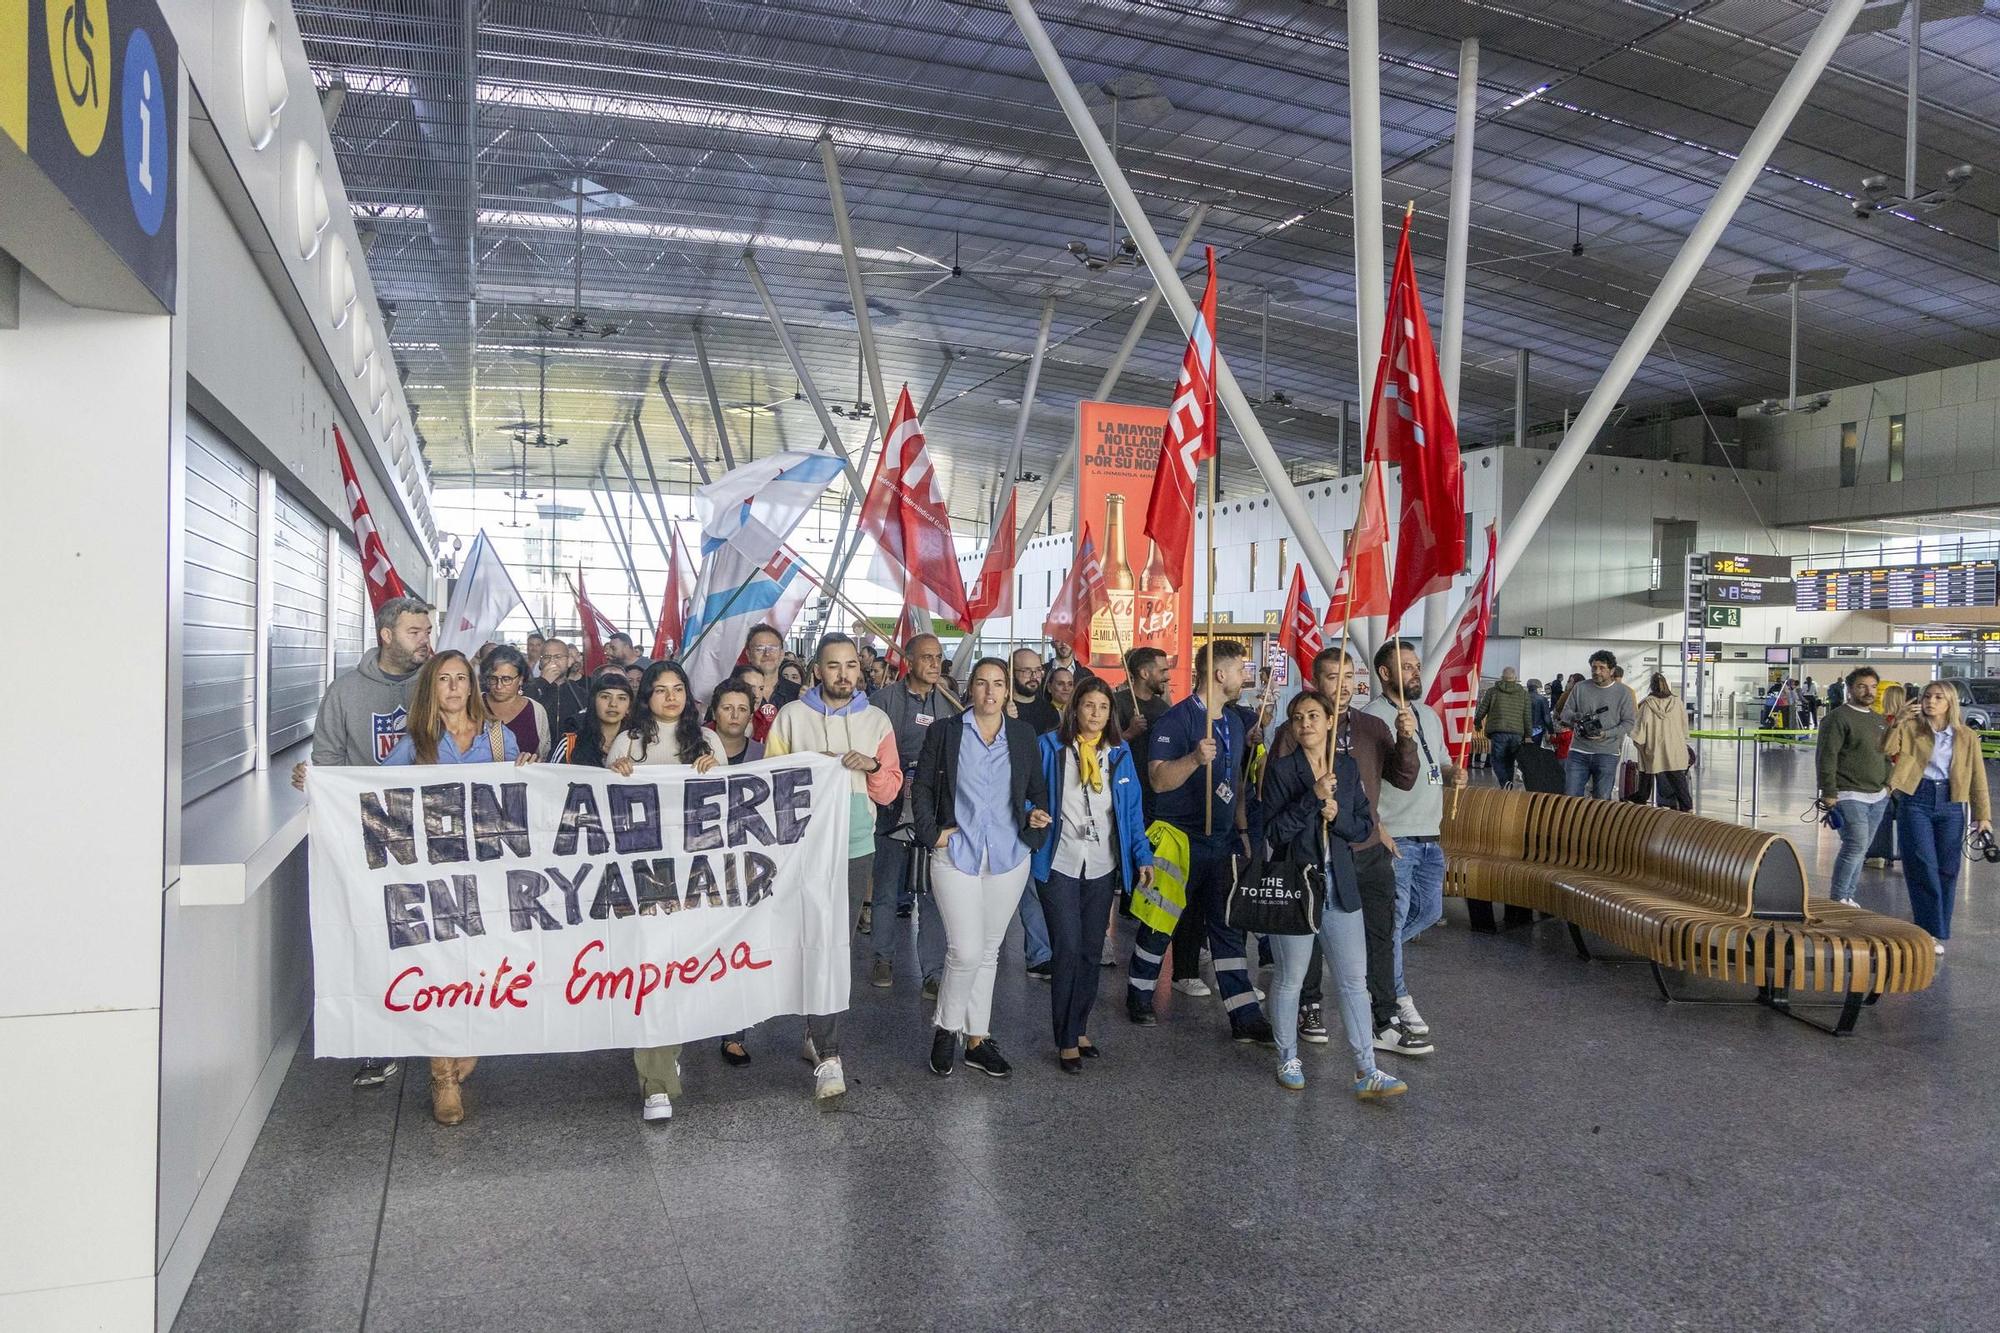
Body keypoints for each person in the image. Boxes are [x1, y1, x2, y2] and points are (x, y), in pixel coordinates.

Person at [381, 650, 534, 1125]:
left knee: (483, 963)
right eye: (443, 679)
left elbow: (522, 800)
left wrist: (528, 771)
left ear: (473, 686)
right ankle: (442, 1075)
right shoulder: (415, 743)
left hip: (487, 874)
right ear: (432, 688)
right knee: (439, 966)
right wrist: (319, 783)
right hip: (432, 875)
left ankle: (469, 1040)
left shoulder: (497, 738)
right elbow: (369, 793)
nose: (452, 687)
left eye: (460, 679)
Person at [291, 593, 434, 1088]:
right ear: (386, 635)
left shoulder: (436, 686)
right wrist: (314, 779)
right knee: (372, 938)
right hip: (367, 838)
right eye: (416, 632)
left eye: (428, 631)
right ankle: (378, 1043)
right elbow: (327, 756)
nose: (425, 641)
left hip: (428, 836)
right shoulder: (346, 692)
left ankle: (441, 1033)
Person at [763, 634, 903, 1105]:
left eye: (850, 666)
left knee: (835, 946)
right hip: (803, 849)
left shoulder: (876, 719)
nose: (844, 674)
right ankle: (813, 1026)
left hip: (853, 847)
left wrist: (872, 767)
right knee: (802, 940)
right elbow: (769, 786)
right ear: (816, 670)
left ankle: (829, 1051)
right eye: (833, 666)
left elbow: (889, 791)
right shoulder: (791, 718)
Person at [1272, 648, 1428, 1057]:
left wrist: (1407, 740)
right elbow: (1275, 796)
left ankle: (1384, 1018)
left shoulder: (1372, 726)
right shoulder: (1295, 731)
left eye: (1347, 678)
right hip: (1316, 854)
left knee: (1380, 934)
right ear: (1315, 682)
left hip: (1365, 848)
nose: (1340, 686)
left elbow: (1402, 778)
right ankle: (1310, 1005)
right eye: (1330, 677)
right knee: (1311, 934)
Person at [1261, 690, 1408, 1100]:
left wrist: (1337, 815)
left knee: (1353, 982)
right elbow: (1273, 833)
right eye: (1297, 718)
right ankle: (1288, 1057)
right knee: (1290, 980)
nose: (1305, 723)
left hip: (1340, 886)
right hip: (1296, 887)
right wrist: (1313, 799)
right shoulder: (1283, 771)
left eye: (1312, 715)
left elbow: (1364, 827)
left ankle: (1367, 1069)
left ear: (1329, 722)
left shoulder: (1346, 766)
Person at [910, 657, 1052, 1078]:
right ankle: (946, 1027)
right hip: (956, 853)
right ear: (970, 689)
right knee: (965, 950)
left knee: (988, 952)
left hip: (1008, 857)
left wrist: (1035, 817)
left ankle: (976, 1039)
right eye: (982, 684)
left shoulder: (1023, 736)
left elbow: (1035, 792)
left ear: (1008, 691)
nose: (990, 692)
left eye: (998, 685)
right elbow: (922, 787)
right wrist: (930, 832)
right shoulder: (946, 732)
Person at [1129, 639, 1274, 1044]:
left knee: (1227, 928)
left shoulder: (1233, 721)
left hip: (1222, 841)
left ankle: (1244, 1015)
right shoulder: (1175, 722)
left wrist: (1242, 832)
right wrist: (1193, 760)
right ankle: (1139, 995)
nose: (1245, 677)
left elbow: (1238, 786)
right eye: (1240, 669)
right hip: (1178, 838)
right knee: (1160, 921)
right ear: (1219, 674)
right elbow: (1158, 780)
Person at [607, 661, 726, 1122]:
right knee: (651, 970)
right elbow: (609, 805)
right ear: (647, 697)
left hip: (695, 875)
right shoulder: (630, 741)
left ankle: (668, 1047)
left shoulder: (709, 740)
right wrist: (614, 772)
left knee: (680, 971)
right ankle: (655, 1082)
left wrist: (717, 771)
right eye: (661, 690)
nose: (671, 698)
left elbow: (726, 805)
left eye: (678, 689)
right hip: (644, 876)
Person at [1028, 678, 1152, 1071]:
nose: (1095, 714)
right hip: (1059, 861)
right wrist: (1032, 811)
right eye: (1088, 705)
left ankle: (1079, 1026)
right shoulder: (1050, 747)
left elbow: (1131, 811)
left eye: (1102, 707)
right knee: (1066, 948)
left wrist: (1142, 855)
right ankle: (1065, 1038)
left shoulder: (1119, 753)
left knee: (1089, 951)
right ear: (1074, 708)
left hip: (1101, 863)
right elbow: (1027, 791)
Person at [1365, 640, 1464, 1049]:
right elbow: (1366, 780)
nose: (1415, 672)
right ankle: (1396, 995)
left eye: (1416, 665)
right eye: (1405, 667)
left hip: (1430, 833)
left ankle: (1372, 959)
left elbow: (1437, 760)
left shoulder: (1428, 714)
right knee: (1394, 918)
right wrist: (1377, 829)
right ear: (1385, 674)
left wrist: (1453, 770)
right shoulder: (1371, 718)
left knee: (1429, 911)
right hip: (1396, 835)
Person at [866, 634, 958, 994]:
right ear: (909, 659)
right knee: (887, 888)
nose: (935, 664)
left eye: (938, 657)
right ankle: (882, 957)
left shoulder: (950, 704)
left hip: (932, 812)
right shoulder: (883, 701)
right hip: (890, 807)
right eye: (927, 657)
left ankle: (932, 971)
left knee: (933, 895)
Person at [1885, 683, 1989, 953]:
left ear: (1950, 703)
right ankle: (1929, 930)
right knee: (1922, 864)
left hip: (1951, 802)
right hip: (1915, 798)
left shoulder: (1966, 736)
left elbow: (1978, 777)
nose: (1931, 701)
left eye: (1938, 697)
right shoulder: (1911, 729)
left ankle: (1937, 928)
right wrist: (1898, 721)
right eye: (1927, 696)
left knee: (1948, 869)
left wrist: (1983, 817)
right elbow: (1885, 749)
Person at [701, 678, 764, 1069]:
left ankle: (734, 1034)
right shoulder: (693, 750)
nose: (735, 716)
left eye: (743, 709)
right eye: (728, 708)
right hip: (700, 867)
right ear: (715, 712)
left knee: (740, 949)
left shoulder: (763, 753)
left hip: (746, 867)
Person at [1815, 668, 1891, 907]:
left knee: (1862, 848)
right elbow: (1827, 756)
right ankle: (1838, 898)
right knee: (1855, 845)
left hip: (1877, 796)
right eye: (1862, 686)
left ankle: (1848, 895)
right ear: (1849, 689)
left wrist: (1888, 785)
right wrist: (1828, 792)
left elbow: (1885, 755)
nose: (1868, 691)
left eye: (1872, 687)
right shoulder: (1837, 718)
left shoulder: (1878, 720)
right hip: (1848, 794)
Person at [1557, 651, 1636, 798]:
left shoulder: (1623, 692)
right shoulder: (1580, 687)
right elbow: (1565, 713)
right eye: (1594, 667)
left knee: (1602, 800)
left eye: (1601, 668)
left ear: (1612, 670)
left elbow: (1629, 722)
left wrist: (1606, 733)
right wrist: (1577, 717)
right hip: (1578, 752)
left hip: (1607, 753)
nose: (1596, 671)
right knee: (1571, 797)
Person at [1113, 646, 1174, 821]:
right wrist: (1129, 734)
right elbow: (1100, 747)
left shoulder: (1164, 709)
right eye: (1162, 671)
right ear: (1144, 673)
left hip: (1155, 795)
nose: (1167, 676)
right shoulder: (1116, 703)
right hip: (1123, 790)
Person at [1630, 673, 1693, 810]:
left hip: (1654, 747)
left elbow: (1640, 729)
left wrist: (1639, 743)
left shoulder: (1647, 704)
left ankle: (1641, 798)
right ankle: (1687, 807)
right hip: (1675, 747)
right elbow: (1684, 726)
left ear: (1651, 686)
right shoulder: (1678, 702)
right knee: (1677, 779)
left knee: (1646, 773)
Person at [480, 644, 551, 760]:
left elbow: (543, 755)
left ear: (521, 679)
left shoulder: (536, 711)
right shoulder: (474, 705)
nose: (499, 686)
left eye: (506, 679)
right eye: (493, 679)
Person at [550, 671, 634, 766]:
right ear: (593, 702)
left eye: (621, 698)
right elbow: (551, 778)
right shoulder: (569, 744)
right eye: (605, 697)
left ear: (629, 707)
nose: (613, 704)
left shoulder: (641, 745)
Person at [1865, 684, 1907, 869]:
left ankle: (1878, 855)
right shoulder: (1912, 723)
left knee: (1882, 814)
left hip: (1885, 773)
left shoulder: (1881, 722)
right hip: (1906, 775)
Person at [743, 623, 802, 742]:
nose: (767, 654)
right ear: (748, 654)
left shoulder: (798, 694)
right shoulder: (732, 692)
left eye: (772, 648)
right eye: (759, 649)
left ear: (781, 654)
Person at [1474, 667, 1532, 787]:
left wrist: (1477, 722)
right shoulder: (1523, 694)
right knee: (1510, 761)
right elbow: (1527, 715)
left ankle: (1505, 782)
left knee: (1497, 760)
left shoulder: (1493, 691)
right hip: (1516, 733)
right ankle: (1507, 785)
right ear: (1515, 678)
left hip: (1498, 731)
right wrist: (1528, 735)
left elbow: (1482, 709)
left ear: (1501, 678)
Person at [528, 638, 590, 722]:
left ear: (569, 662)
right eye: (547, 657)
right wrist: (543, 682)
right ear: (540, 663)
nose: (552, 661)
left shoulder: (581, 693)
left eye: (558, 657)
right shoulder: (529, 687)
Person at [1009, 648, 1061, 735]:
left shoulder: (1050, 711)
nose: (1034, 676)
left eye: (1038, 670)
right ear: (1011, 673)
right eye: (1027, 671)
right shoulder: (1000, 710)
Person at [1526, 678, 1553, 745]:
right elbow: (1547, 717)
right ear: (1538, 688)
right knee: (1535, 751)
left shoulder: (1522, 697)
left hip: (1522, 729)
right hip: (1537, 730)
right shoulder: (1542, 699)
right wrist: (1551, 731)